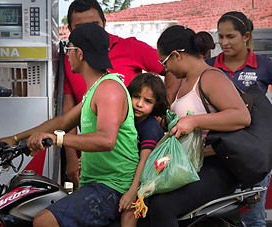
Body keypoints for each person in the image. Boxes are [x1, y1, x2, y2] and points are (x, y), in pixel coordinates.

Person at [0, 22, 139, 227]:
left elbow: (107, 139)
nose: (67, 54)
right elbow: (63, 121)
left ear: (79, 53)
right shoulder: (96, 89)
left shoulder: (110, 89)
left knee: (44, 221)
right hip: (97, 184)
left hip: (113, 188)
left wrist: (58, 139)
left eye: (68, 48)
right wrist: (16, 139)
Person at [137, 25, 251, 227]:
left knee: (163, 206)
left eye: (164, 62)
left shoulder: (211, 77)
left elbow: (242, 116)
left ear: (176, 55)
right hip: (189, 165)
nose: (166, 69)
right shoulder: (185, 81)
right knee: (146, 201)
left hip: (217, 166)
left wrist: (194, 121)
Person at [62, 0, 181, 189]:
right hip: (90, 158)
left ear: (104, 23)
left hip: (127, 157)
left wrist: (161, 108)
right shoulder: (73, 58)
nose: (88, 33)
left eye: (94, 26)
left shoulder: (130, 47)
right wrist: (70, 158)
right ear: (69, 29)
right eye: (80, 27)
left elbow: (174, 69)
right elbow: (68, 115)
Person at [205, 11, 272, 227]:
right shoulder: (207, 66)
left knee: (253, 219)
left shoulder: (263, 65)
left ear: (246, 36)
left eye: (230, 36)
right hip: (216, 154)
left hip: (253, 155)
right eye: (220, 37)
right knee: (218, 217)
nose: (224, 42)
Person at [119, 73, 168, 227]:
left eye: (147, 101)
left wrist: (133, 192)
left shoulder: (150, 128)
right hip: (130, 172)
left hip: (151, 175)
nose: (139, 104)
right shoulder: (127, 119)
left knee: (132, 207)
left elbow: (145, 161)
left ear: (156, 105)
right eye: (136, 97)